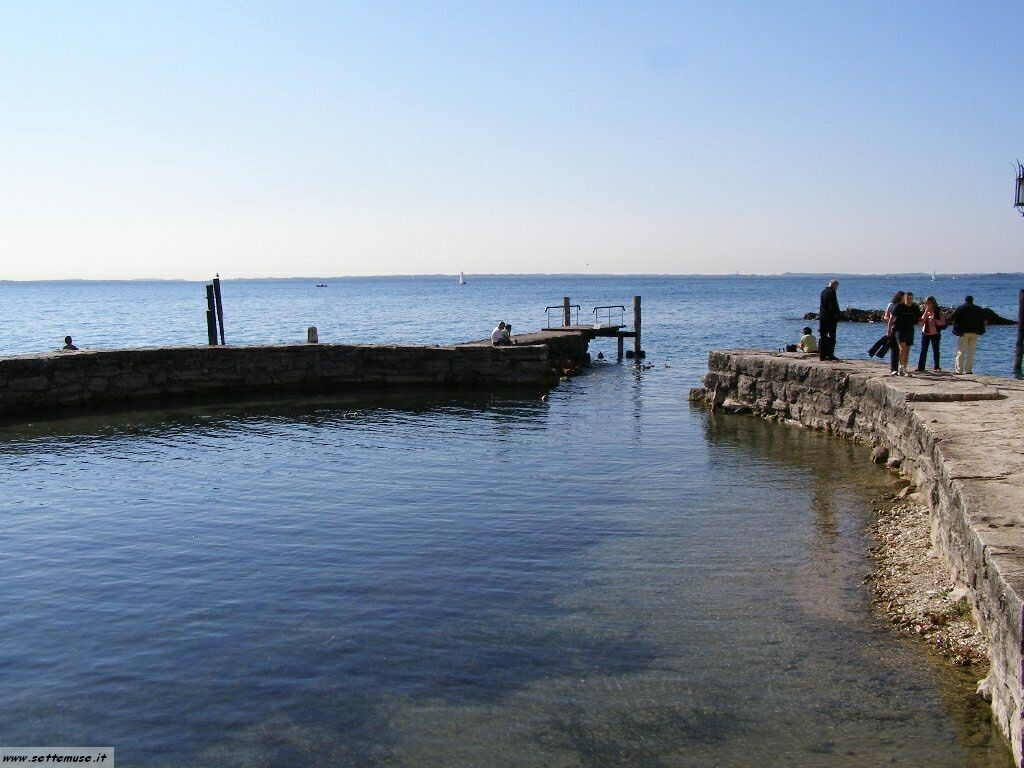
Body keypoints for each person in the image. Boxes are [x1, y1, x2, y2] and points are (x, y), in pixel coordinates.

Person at [951, 295, 986, 374]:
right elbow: (983, 321)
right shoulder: (978, 309)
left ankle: (959, 370)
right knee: (971, 352)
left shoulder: (960, 308)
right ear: (972, 300)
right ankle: (969, 370)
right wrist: (981, 331)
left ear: (965, 300)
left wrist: (955, 329)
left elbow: (953, 318)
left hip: (963, 333)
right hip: (975, 332)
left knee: (961, 352)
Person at [891, 291, 919, 376]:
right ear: (904, 298)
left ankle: (904, 368)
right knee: (902, 349)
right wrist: (889, 329)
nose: (909, 300)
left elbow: (919, 318)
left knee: (907, 350)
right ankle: (900, 368)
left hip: (910, 330)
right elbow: (891, 318)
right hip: (900, 330)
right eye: (907, 298)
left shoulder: (915, 307)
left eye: (911, 298)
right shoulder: (899, 306)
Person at [916, 296, 945, 372]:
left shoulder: (938, 311)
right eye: (926, 303)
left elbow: (943, 322)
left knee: (936, 350)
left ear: (933, 303)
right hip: (925, 333)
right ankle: (921, 367)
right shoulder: (923, 310)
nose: (928, 304)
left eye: (929, 303)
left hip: (935, 333)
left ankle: (937, 367)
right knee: (923, 350)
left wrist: (934, 320)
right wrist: (926, 312)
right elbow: (921, 322)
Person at [881, 291, 904, 373]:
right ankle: (894, 368)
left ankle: (897, 368)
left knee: (898, 349)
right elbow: (886, 317)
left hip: (899, 329)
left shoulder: (901, 306)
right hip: (894, 328)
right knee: (895, 349)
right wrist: (891, 323)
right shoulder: (893, 305)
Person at [818, 279, 840, 361]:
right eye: (837, 286)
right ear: (834, 285)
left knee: (823, 336)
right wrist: (836, 315)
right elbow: (832, 305)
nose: (837, 288)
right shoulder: (832, 292)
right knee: (832, 336)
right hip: (830, 318)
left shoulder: (823, 292)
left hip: (823, 317)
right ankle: (830, 354)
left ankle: (822, 355)